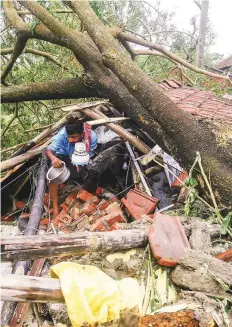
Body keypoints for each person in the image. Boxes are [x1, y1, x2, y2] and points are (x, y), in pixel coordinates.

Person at [46, 118, 98, 217]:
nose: (70, 140)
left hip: (81, 157)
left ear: (82, 134)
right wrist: (53, 159)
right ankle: (56, 208)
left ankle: (87, 201)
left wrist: (81, 162)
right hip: (63, 156)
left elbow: (89, 155)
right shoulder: (62, 135)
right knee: (52, 178)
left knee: (92, 172)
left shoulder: (92, 137)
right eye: (68, 137)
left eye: (74, 137)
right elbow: (48, 150)